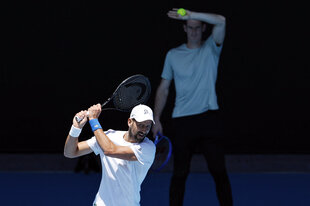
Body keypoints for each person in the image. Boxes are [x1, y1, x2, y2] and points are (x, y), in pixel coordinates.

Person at [152, 8, 233, 206]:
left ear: (203, 28)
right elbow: (164, 89)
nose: (194, 31)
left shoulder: (211, 49)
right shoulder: (173, 55)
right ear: (185, 29)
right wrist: (156, 118)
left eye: (197, 27)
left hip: (208, 119)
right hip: (182, 121)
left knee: (219, 172)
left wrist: (191, 14)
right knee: (180, 174)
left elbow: (221, 20)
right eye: (190, 27)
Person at [64, 104, 156, 206]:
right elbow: (70, 152)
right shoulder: (108, 136)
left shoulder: (148, 148)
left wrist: (93, 120)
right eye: (140, 125)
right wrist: (76, 128)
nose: (144, 130)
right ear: (130, 122)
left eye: (148, 126)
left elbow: (109, 150)